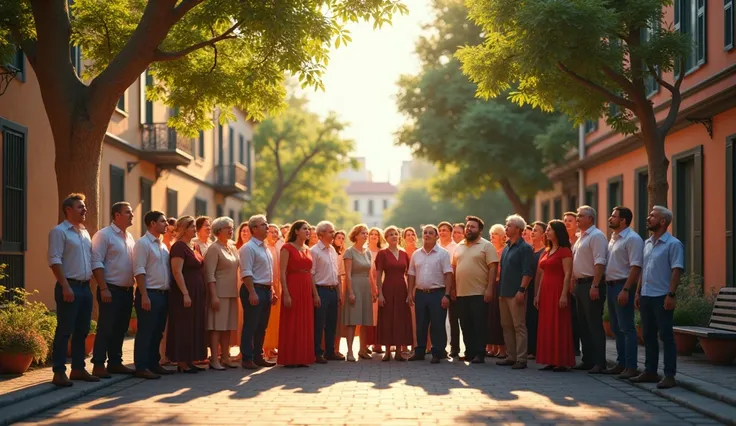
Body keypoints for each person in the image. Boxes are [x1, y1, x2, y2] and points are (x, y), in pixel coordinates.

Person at [48, 193, 98, 386]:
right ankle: (59, 372)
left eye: (84, 207)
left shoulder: (84, 232)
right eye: (80, 207)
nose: (85, 209)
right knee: (64, 330)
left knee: (82, 330)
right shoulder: (59, 232)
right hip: (69, 287)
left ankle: (78, 369)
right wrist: (65, 286)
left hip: (85, 289)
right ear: (68, 210)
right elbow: (54, 260)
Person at [631, 206, 684, 390]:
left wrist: (671, 294)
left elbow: (676, 270)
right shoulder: (646, 243)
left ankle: (670, 375)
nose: (648, 218)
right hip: (646, 295)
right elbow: (643, 270)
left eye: (652, 216)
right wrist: (638, 292)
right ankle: (650, 371)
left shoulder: (673, 244)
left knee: (666, 336)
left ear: (663, 222)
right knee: (647, 335)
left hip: (662, 296)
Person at [90, 201, 136, 379]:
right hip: (110, 289)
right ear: (117, 215)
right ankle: (98, 364)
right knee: (106, 327)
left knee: (121, 328)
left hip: (126, 290)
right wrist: (103, 288)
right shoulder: (104, 235)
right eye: (128, 212)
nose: (131, 215)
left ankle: (115, 363)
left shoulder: (129, 237)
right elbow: (96, 262)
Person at [133, 211, 175, 379]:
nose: (167, 224)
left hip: (163, 294)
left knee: (158, 332)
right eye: (163, 221)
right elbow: (139, 270)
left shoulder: (162, 245)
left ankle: (153, 363)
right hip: (149, 293)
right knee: (146, 331)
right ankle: (141, 367)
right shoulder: (143, 244)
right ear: (152, 223)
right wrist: (143, 295)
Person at [452, 216, 499, 363]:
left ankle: (480, 353)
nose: (469, 229)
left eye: (472, 227)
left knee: (479, 324)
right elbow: (454, 268)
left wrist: (490, 289)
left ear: (480, 230)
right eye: (467, 226)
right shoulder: (459, 246)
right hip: (461, 293)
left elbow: (493, 268)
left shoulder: (486, 246)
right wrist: (453, 289)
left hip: (480, 292)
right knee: (465, 325)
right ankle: (470, 352)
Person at [604, 207, 644, 379]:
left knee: (627, 327)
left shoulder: (633, 239)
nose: (609, 218)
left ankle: (631, 366)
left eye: (613, 216)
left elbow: (636, 267)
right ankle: (621, 363)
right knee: (615, 328)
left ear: (623, 220)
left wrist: (627, 289)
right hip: (611, 286)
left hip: (622, 286)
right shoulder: (613, 238)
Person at [167, 216, 208, 373]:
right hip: (184, 292)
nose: (195, 230)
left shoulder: (194, 246)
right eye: (192, 227)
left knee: (194, 325)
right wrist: (185, 293)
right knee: (184, 325)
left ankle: (190, 359)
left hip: (197, 291)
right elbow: (177, 271)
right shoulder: (178, 247)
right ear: (184, 229)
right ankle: (182, 361)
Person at [407, 225, 453, 364]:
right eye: (425, 233)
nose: (427, 235)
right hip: (420, 293)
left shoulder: (443, 254)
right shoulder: (416, 254)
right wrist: (410, 292)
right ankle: (419, 352)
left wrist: (447, 295)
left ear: (436, 236)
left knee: (437, 324)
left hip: (437, 293)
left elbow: (448, 274)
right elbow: (411, 274)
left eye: (430, 233)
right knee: (420, 324)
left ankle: (437, 353)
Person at [572, 205, 609, 374]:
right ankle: (587, 359)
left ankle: (599, 362)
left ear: (590, 219)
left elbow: (599, 262)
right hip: (580, 285)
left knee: (594, 323)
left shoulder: (596, 236)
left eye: (580, 216)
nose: (577, 218)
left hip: (591, 284)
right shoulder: (580, 238)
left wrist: (595, 285)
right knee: (583, 324)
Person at [534, 220, 575, 371]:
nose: (547, 232)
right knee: (547, 324)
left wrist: (564, 295)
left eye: (550, 230)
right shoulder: (546, 251)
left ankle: (561, 360)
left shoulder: (564, 251)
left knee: (559, 323)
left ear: (558, 232)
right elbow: (543, 274)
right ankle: (550, 358)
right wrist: (538, 294)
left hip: (558, 290)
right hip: (546, 291)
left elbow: (568, 274)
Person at [239, 214, 277, 370]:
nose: (267, 227)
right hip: (253, 289)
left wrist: (272, 290)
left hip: (266, 290)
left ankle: (258, 356)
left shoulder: (265, 247)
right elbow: (246, 272)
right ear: (254, 229)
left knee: (262, 326)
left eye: (267, 224)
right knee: (251, 325)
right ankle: (247, 358)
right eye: (263, 224)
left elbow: (267, 272)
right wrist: (252, 292)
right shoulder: (248, 248)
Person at [496, 215, 534, 370]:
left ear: (518, 229)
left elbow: (527, 272)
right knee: (506, 325)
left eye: (509, 225)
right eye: (506, 225)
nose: (506, 227)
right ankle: (510, 356)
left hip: (516, 292)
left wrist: (521, 290)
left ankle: (521, 358)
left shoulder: (525, 248)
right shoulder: (506, 247)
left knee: (519, 326)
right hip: (504, 292)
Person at [278, 220, 318, 367]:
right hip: (293, 286)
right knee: (292, 321)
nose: (308, 231)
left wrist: (315, 294)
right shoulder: (286, 248)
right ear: (296, 231)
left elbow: (311, 273)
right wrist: (286, 293)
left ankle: (302, 357)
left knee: (305, 322)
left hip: (306, 288)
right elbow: (282, 273)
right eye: (304, 229)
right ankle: (290, 358)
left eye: (308, 229)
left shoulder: (308, 249)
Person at [205, 217, 241, 370]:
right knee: (216, 327)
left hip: (232, 292)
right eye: (227, 227)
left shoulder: (232, 247)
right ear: (219, 231)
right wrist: (213, 295)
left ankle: (225, 357)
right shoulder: (214, 248)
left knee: (227, 327)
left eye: (231, 227)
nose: (231, 230)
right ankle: (214, 359)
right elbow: (209, 274)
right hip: (219, 293)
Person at [376, 226, 413, 361]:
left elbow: (409, 274)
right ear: (386, 238)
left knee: (400, 318)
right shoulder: (382, 254)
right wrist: (379, 293)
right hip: (387, 287)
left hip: (401, 289)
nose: (393, 236)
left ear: (399, 236)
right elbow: (378, 275)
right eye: (390, 234)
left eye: (396, 234)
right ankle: (387, 352)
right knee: (386, 318)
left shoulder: (404, 254)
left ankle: (398, 351)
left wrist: (409, 293)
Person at [311, 221, 345, 363]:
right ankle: (317, 352)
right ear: (321, 234)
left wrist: (339, 293)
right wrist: (315, 294)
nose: (333, 233)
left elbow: (336, 273)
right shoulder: (314, 251)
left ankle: (330, 351)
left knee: (332, 323)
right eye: (331, 231)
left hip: (332, 290)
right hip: (321, 290)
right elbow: (311, 274)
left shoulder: (332, 249)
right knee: (319, 323)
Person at [342, 224, 375, 362]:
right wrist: (350, 292)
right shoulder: (349, 252)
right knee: (352, 321)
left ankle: (362, 350)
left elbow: (370, 273)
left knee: (365, 320)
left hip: (366, 286)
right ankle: (350, 351)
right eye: (363, 233)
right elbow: (347, 274)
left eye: (366, 233)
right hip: (354, 285)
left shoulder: (367, 252)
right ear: (355, 235)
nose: (366, 235)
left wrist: (373, 290)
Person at [527, 221, 547, 359]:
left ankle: (538, 349)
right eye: (532, 230)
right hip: (527, 288)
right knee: (528, 319)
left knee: (537, 319)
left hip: (538, 288)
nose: (532, 232)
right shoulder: (529, 250)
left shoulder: (544, 252)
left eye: (536, 230)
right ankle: (530, 349)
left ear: (543, 234)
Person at [487, 224, 507, 359]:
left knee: (499, 317)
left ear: (502, 237)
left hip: (500, 285)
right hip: (489, 285)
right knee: (490, 318)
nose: (493, 236)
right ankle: (491, 347)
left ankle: (502, 349)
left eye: (496, 234)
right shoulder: (489, 250)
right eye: (491, 234)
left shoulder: (505, 250)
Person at [263, 224, 282, 359]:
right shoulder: (265, 248)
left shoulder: (278, 248)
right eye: (271, 232)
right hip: (268, 285)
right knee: (267, 319)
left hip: (278, 285)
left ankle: (272, 345)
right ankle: (265, 347)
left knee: (276, 318)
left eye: (276, 232)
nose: (274, 234)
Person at [563, 210, 582, 357]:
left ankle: (578, 348)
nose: (567, 222)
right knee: (568, 317)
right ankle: (570, 346)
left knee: (578, 316)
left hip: (579, 282)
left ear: (577, 223)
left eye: (570, 220)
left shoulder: (581, 239)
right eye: (565, 220)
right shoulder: (562, 241)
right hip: (564, 283)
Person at [366, 227, 385, 354]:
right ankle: (366, 343)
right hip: (366, 286)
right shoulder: (364, 251)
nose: (373, 236)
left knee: (380, 316)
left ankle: (378, 343)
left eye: (376, 234)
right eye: (371, 234)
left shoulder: (382, 252)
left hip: (381, 285)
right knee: (367, 316)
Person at [448, 222, 465, 357]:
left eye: (459, 232)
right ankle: (454, 347)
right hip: (453, 288)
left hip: (466, 289)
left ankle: (468, 347)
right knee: (453, 320)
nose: (456, 234)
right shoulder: (454, 249)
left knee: (465, 321)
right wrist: (452, 288)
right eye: (454, 232)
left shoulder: (465, 246)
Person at [333, 230, 349, 357]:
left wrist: (341, 292)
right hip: (329, 284)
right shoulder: (331, 252)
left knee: (338, 320)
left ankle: (336, 348)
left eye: (343, 238)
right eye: (338, 237)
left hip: (339, 284)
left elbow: (341, 275)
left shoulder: (342, 253)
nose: (341, 240)